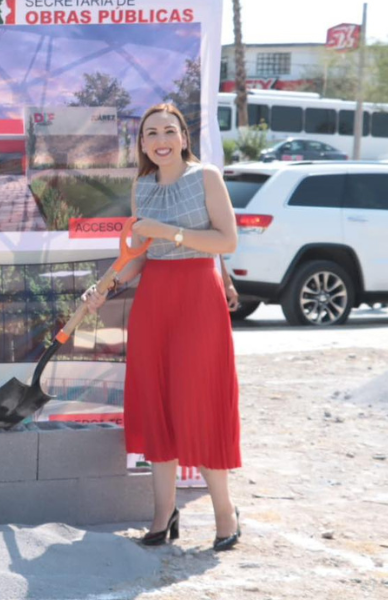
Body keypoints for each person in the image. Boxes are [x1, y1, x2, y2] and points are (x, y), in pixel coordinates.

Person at [84, 103, 242, 552]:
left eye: (169, 130)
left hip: (198, 300)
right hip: (154, 303)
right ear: (142, 144)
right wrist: (104, 286)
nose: (160, 139)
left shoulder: (206, 177)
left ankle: (225, 515)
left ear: (184, 137)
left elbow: (226, 241)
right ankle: (162, 514)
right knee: (157, 403)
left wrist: (168, 231)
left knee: (201, 402)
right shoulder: (142, 186)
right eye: (150, 133)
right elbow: (136, 258)